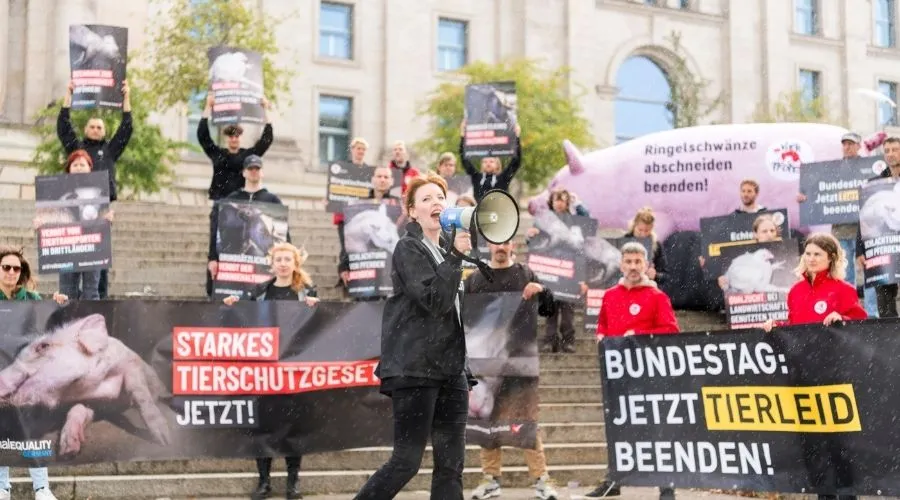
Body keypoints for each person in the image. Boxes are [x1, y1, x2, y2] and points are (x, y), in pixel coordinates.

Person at [353, 172, 475, 500]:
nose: (436, 203)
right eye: (426, 199)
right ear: (412, 210)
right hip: (416, 367)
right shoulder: (408, 248)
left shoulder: (449, 250)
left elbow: (458, 304)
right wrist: (455, 258)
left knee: (451, 465)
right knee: (406, 461)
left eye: (440, 197)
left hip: (452, 370)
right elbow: (434, 301)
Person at [762, 233, 866, 500]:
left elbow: (862, 327)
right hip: (804, 376)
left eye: (817, 254)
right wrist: (777, 328)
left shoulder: (842, 289)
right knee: (812, 441)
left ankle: (846, 493)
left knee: (838, 441)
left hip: (834, 375)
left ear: (830, 257)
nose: (811, 259)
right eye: (807, 253)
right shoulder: (795, 292)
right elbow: (796, 330)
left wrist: (841, 318)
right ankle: (824, 494)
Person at [464, 240, 560, 500]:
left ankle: (542, 480)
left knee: (526, 423)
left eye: (505, 242)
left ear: (512, 244)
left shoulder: (525, 274)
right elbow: (464, 319)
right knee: (487, 426)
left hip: (519, 364)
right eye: (496, 243)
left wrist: (541, 290)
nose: (501, 247)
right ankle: (491, 480)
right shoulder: (475, 279)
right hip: (484, 364)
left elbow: (549, 309)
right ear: (488, 245)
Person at [586, 242, 679, 500]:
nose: (633, 267)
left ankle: (666, 485)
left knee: (657, 430)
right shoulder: (610, 295)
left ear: (647, 265)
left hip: (650, 375)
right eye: (629, 262)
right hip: (619, 376)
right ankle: (613, 482)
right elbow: (602, 326)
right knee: (619, 429)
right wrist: (602, 335)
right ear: (621, 264)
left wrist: (637, 335)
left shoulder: (657, 296)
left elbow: (671, 331)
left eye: (638, 262)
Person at [224, 242, 317, 499]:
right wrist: (233, 306)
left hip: (294, 370)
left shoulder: (306, 293)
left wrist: (316, 307)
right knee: (262, 426)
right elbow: (244, 320)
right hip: (264, 371)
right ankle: (264, 482)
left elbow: (317, 326)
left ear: (295, 263)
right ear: (272, 263)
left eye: (288, 259)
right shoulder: (259, 292)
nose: (283, 263)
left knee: (294, 427)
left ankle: (292, 483)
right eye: (279, 259)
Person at [0, 246, 68, 500]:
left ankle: (41, 487)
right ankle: (2, 486)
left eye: (16, 268)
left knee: (32, 431)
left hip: (27, 377)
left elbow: (50, 322)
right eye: (5, 267)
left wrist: (58, 304)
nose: (11, 272)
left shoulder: (31, 299)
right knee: (1, 431)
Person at [57, 79, 132, 299]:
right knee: (69, 270)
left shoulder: (109, 150)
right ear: (85, 129)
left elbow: (126, 129)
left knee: (97, 270)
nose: (96, 129)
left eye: (100, 127)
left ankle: (99, 308)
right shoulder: (77, 148)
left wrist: (126, 97)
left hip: (99, 214)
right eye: (92, 126)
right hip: (71, 215)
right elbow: (63, 126)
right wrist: (69, 94)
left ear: (104, 131)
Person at [198, 94, 274, 296]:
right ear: (226, 137)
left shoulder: (247, 157)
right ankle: (213, 286)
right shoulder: (218, 154)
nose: (233, 138)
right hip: (221, 205)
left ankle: (245, 288)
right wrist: (208, 107)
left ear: (240, 137)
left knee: (243, 246)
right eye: (230, 135)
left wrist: (266, 110)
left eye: (236, 135)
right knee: (217, 243)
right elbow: (203, 136)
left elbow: (266, 140)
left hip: (242, 205)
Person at [33, 150, 114, 301]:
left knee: (91, 291)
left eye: (82, 164)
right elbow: (54, 216)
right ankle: (69, 321)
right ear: (69, 168)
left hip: (93, 248)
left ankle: (91, 321)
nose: (78, 167)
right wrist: (42, 225)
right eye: (75, 164)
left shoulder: (100, 189)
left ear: (90, 168)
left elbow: (102, 215)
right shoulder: (59, 192)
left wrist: (107, 218)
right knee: (67, 291)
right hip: (67, 249)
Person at [208, 155, 291, 297]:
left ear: (262, 172)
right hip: (234, 265)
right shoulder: (231, 199)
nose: (254, 171)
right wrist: (212, 258)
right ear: (244, 172)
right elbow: (216, 230)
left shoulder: (273, 200)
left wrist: (288, 258)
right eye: (250, 168)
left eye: (257, 168)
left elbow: (285, 234)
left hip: (261, 263)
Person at [526, 189, 588, 353]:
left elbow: (580, 250)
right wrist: (529, 236)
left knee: (568, 311)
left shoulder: (575, 222)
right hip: (549, 271)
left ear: (568, 202)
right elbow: (535, 244)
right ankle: (549, 341)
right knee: (550, 310)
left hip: (570, 272)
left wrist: (581, 278)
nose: (559, 203)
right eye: (556, 199)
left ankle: (568, 341)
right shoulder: (542, 221)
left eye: (563, 199)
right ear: (551, 202)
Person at [855, 136, 900, 318]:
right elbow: (864, 218)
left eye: (895, 150)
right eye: (887, 151)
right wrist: (860, 250)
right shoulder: (875, 184)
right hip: (884, 245)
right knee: (884, 291)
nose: (890, 154)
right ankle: (889, 336)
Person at [338, 166, 401, 292]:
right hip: (364, 269)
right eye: (379, 176)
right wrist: (344, 267)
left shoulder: (400, 205)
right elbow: (347, 238)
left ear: (392, 181)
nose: (382, 180)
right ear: (372, 179)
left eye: (386, 177)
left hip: (391, 270)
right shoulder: (357, 204)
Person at [458, 120, 522, 202]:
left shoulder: (503, 178)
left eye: (491, 161)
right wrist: (463, 134)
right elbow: (464, 159)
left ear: (497, 164)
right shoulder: (476, 177)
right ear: (481, 165)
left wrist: (517, 137)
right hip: (480, 212)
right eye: (485, 162)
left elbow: (516, 161)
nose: (488, 164)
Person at [624, 207, 668, 286]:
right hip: (626, 288)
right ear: (634, 226)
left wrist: (656, 275)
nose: (643, 234)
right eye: (640, 230)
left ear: (652, 229)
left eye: (647, 230)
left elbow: (666, 276)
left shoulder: (656, 245)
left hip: (646, 288)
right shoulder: (623, 241)